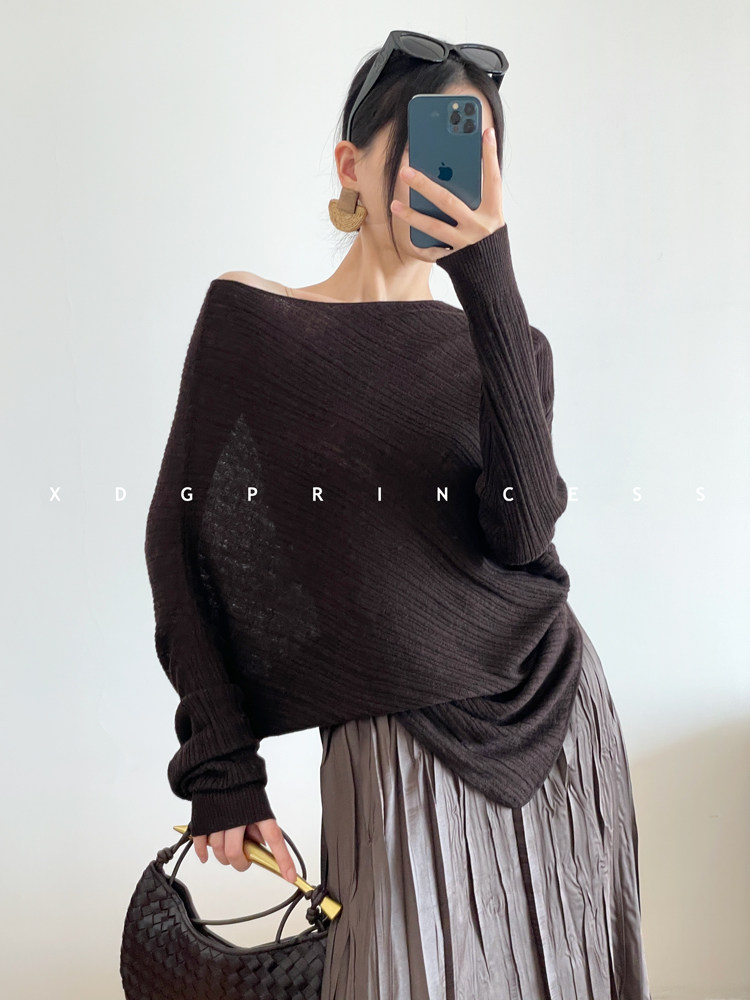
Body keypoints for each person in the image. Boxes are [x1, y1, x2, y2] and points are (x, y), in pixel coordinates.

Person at [145, 31, 652, 1000]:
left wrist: (490, 278)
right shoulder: (254, 322)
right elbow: (182, 542)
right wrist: (220, 764)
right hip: (389, 747)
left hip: (556, 723)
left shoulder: (512, 348)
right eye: (425, 147)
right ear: (352, 165)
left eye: (475, 155)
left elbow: (522, 532)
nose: (448, 178)